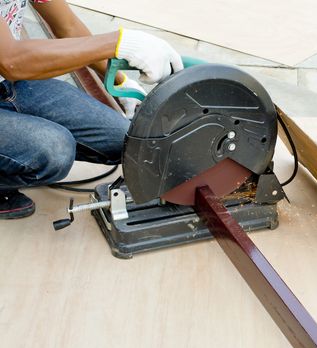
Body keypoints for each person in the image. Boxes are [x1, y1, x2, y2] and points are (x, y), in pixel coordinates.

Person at [0, 0, 183, 219]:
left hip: (11, 84)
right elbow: (11, 60)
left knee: (126, 140)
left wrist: (121, 83)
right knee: (54, 150)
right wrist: (118, 42)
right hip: (11, 67)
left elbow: (68, 27)